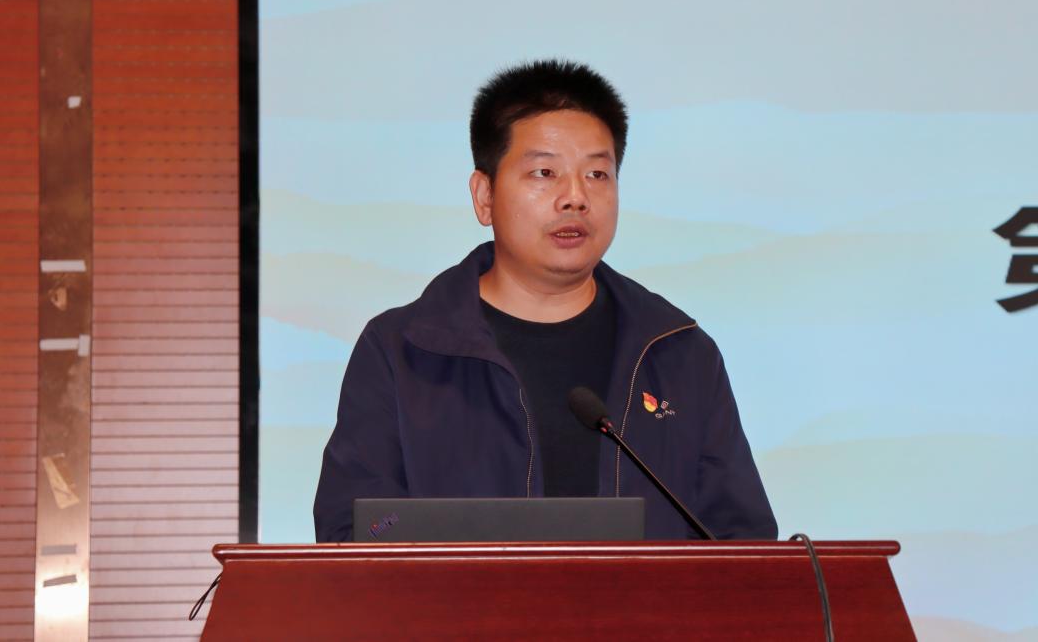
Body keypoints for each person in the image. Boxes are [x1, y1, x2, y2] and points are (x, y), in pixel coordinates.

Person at [314, 60, 776, 541]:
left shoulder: (677, 352)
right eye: (544, 172)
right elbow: (352, 533)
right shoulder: (402, 351)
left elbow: (744, 545)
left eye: (597, 174)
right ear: (484, 196)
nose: (575, 197)